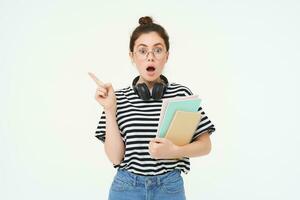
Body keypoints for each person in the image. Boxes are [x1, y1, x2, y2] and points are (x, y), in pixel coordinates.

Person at [89, 16, 216, 200]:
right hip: (126, 188)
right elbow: (116, 159)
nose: (150, 56)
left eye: (158, 50)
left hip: (169, 187)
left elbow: (205, 146)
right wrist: (110, 109)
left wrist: (174, 152)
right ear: (132, 56)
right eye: (142, 51)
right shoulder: (118, 98)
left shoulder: (182, 95)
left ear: (167, 56)